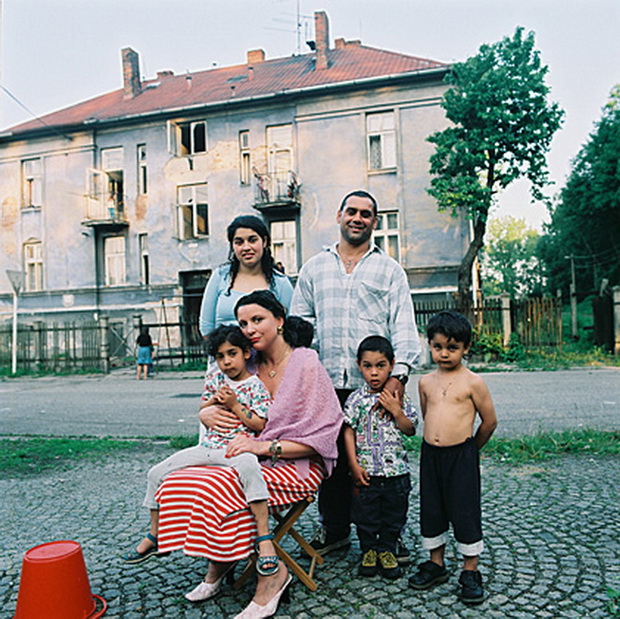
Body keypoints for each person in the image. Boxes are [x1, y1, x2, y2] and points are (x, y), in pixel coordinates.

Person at [154, 290, 343, 618]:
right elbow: (212, 402)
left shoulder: (305, 363)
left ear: (280, 320)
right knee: (183, 477)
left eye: (258, 319)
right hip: (246, 459)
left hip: (297, 462)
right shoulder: (245, 362)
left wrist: (262, 446)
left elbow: (325, 436)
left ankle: (272, 576)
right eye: (243, 322)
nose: (250, 328)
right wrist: (204, 414)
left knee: (226, 486)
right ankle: (220, 560)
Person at [290, 189, 421, 559]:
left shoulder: (390, 270)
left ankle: (386, 536)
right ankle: (334, 531)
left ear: (374, 222)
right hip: (326, 385)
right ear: (339, 215)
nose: (358, 218)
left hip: (375, 388)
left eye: (366, 214)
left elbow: (403, 325)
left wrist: (400, 376)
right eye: (352, 211)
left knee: (380, 466)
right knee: (331, 464)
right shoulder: (315, 267)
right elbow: (300, 328)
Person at [123, 324, 276, 575]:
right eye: (220, 356)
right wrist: (213, 402)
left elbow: (260, 423)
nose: (226, 362)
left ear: (246, 353)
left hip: (237, 448)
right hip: (208, 446)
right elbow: (203, 406)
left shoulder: (255, 386)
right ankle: (155, 533)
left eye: (232, 353)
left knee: (251, 470)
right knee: (156, 473)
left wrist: (235, 405)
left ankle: (264, 537)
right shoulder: (216, 379)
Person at [408, 311, 497, 605]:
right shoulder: (425, 382)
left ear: (465, 348)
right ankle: (436, 563)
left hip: (461, 456)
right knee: (432, 507)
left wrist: (470, 450)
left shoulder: (473, 382)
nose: (444, 353)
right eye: (437, 347)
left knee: (464, 509)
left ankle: (470, 570)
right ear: (430, 345)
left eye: (452, 347)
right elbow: (427, 414)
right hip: (431, 455)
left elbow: (489, 422)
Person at [343, 336, 418, 580]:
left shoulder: (399, 397)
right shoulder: (355, 399)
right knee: (365, 515)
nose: (374, 373)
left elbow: (410, 429)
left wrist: (396, 410)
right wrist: (353, 464)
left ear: (392, 365)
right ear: (359, 365)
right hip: (366, 472)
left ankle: (387, 550)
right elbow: (347, 430)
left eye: (381, 365)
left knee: (395, 514)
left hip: (396, 473)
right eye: (368, 366)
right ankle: (369, 551)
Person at [199, 215, 293, 337]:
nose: (246, 247)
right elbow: (206, 327)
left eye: (252, 240)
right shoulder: (220, 276)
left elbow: (290, 328)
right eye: (239, 242)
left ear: (264, 242)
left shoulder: (281, 283)